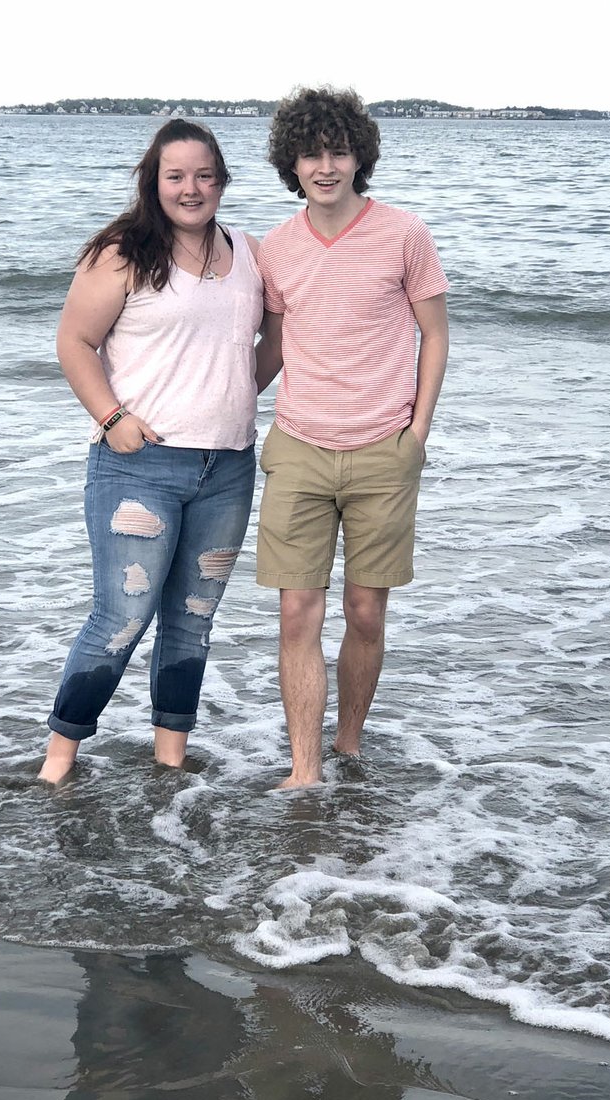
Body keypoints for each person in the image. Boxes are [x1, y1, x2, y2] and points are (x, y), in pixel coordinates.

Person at [38, 120, 263, 784]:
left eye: (203, 175)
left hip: (228, 466)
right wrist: (112, 418)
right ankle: (58, 765)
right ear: (154, 181)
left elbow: (265, 344)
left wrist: (237, 395)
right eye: (175, 176)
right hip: (140, 464)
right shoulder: (122, 252)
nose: (190, 189)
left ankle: (170, 765)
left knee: (191, 621)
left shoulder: (247, 252)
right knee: (122, 615)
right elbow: (74, 342)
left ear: (221, 179)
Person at [254, 87, 449, 788]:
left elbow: (435, 333)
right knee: (295, 611)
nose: (325, 166)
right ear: (292, 162)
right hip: (300, 447)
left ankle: (348, 742)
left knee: (365, 612)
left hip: (382, 450)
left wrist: (416, 434)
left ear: (358, 156)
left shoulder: (404, 233)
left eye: (338, 151)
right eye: (312, 153)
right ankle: (304, 770)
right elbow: (272, 347)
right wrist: (209, 404)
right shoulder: (274, 248)